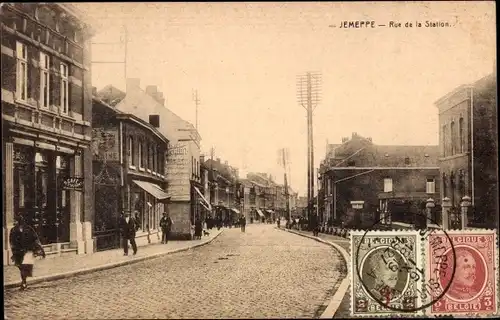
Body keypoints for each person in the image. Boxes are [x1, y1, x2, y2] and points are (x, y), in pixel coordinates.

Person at [9, 215, 46, 290]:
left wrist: (38, 250)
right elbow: (11, 241)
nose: (14, 222)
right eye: (14, 221)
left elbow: (35, 239)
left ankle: (24, 283)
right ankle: (24, 281)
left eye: (16, 221)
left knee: (24, 266)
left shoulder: (28, 229)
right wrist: (14, 250)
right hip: (18, 252)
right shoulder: (13, 230)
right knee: (21, 267)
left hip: (28, 251)